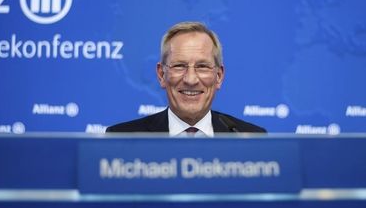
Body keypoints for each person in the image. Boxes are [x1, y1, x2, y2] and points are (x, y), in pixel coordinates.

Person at [106, 21, 266, 136]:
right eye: (179, 66)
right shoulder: (122, 139)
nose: (191, 79)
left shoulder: (251, 139)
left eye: (202, 66)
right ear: (162, 75)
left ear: (219, 76)